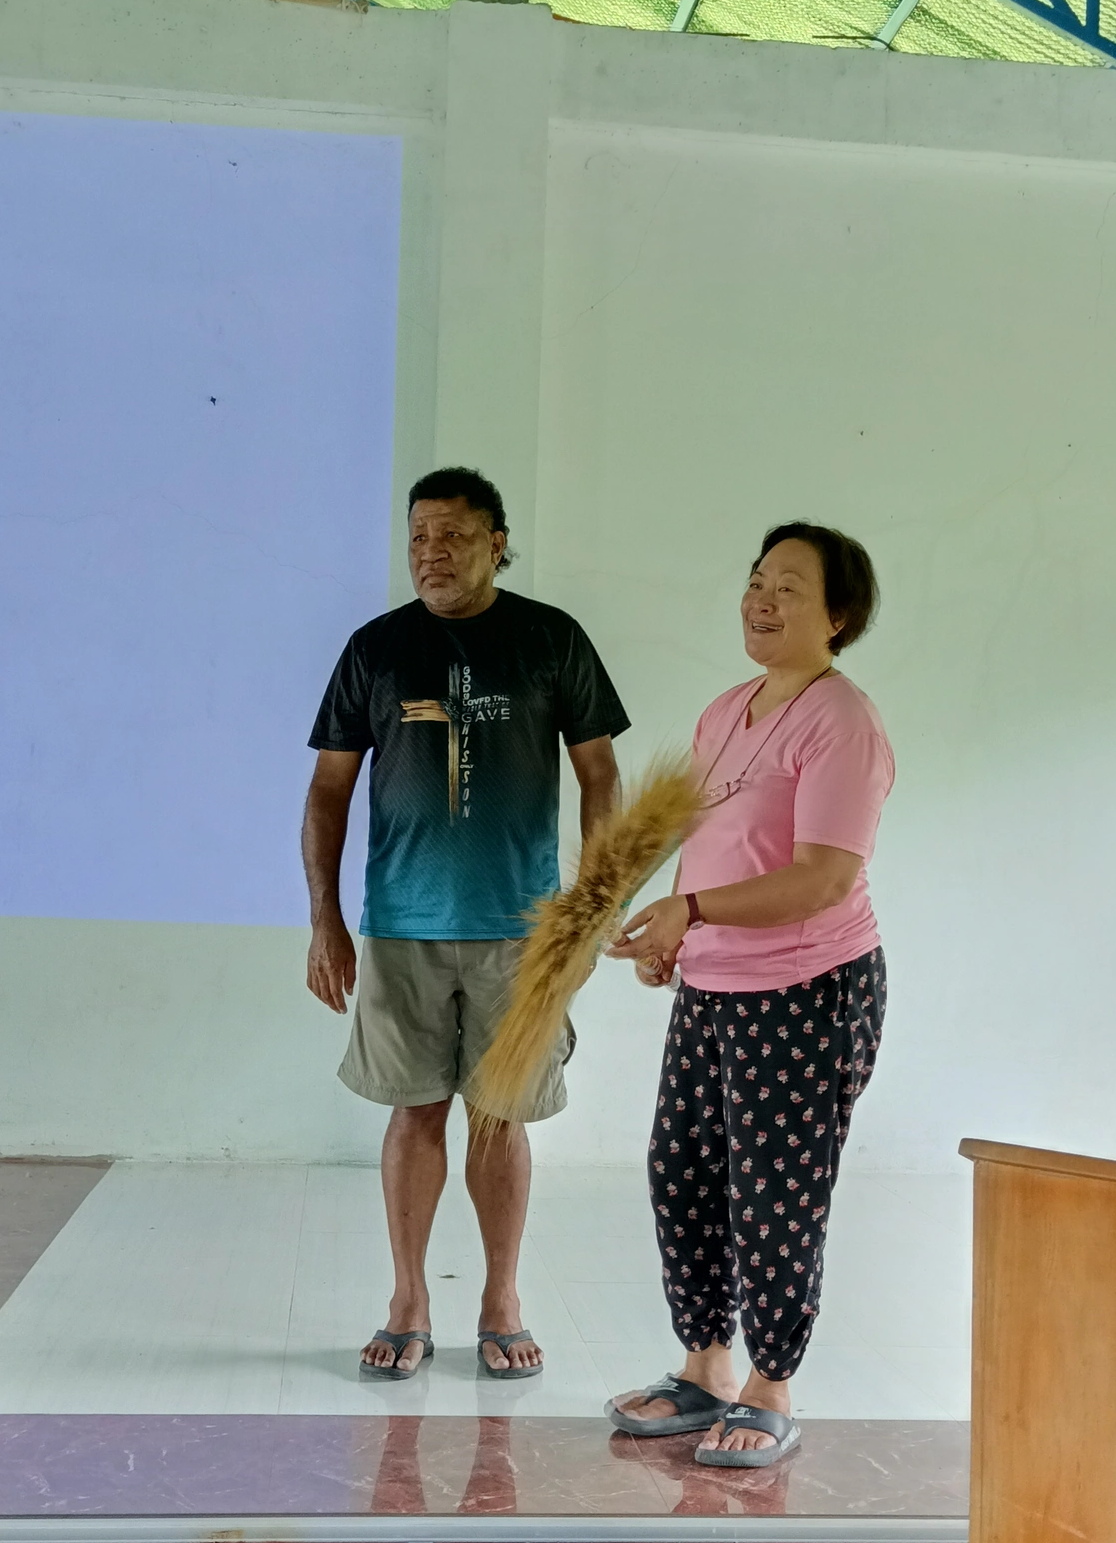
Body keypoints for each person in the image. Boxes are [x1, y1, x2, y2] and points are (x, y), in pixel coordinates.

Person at [303, 467, 628, 1383]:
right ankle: (408, 1301)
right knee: (414, 1111)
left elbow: (600, 774)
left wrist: (594, 905)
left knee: (499, 1116)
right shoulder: (375, 649)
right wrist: (326, 919)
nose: (430, 553)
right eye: (418, 537)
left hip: (519, 931)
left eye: (451, 535)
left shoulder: (550, 639)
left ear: (496, 542)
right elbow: (327, 791)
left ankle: (501, 1301)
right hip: (400, 925)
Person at [607, 522, 893, 1467]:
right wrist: (677, 937)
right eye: (756, 580)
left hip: (805, 988)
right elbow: (711, 844)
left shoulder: (842, 721)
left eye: (788, 588)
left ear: (837, 616)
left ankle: (770, 1387)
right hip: (715, 982)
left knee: (773, 1191)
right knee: (681, 1169)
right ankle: (705, 1370)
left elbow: (822, 880)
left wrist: (690, 909)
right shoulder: (726, 709)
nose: (760, 600)